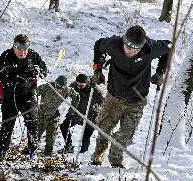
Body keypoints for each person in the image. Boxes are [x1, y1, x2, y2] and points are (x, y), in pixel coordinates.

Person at [90, 25, 171, 168]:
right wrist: (97, 69)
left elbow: (169, 47)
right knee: (104, 128)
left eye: (136, 49)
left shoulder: (151, 48)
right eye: (128, 47)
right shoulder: (114, 44)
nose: (131, 51)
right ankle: (97, 159)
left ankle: (116, 161)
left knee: (126, 134)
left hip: (137, 100)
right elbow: (98, 45)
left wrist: (160, 72)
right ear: (124, 41)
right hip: (114, 97)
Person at [0, 34, 47, 160]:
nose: (22, 52)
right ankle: (3, 151)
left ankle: (32, 150)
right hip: (11, 95)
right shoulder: (6, 56)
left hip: (28, 94)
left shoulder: (33, 55)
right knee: (7, 123)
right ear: (14, 46)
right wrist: (15, 78)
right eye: (19, 48)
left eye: (25, 48)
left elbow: (44, 70)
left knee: (32, 123)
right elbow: (2, 76)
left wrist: (39, 70)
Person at [58, 73, 105, 154]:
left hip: (90, 116)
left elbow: (104, 103)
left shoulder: (95, 91)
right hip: (76, 113)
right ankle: (68, 146)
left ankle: (83, 153)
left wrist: (97, 110)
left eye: (81, 86)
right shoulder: (73, 85)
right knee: (64, 126)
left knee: (85, 138)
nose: (79, 87)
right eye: (78, 85)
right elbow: (65, 93)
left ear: (87, 83)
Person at [36, 75, 80, 156]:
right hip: (42, 115)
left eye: (62, 87)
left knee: (52, 136)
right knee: (36, 134)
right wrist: (34, 104)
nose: (59, 89)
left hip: (54, 115)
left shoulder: (66, 90)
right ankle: (30, 149)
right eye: (58, 86)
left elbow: (76, 96)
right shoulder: (47, 87)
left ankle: (48, 152)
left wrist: (71, 111)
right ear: (55, 83)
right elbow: (34, 92)